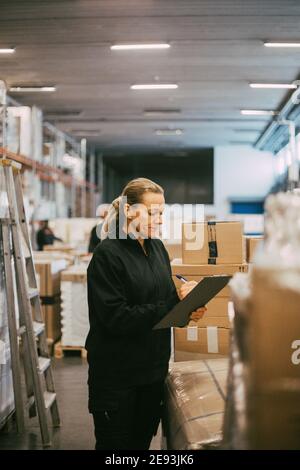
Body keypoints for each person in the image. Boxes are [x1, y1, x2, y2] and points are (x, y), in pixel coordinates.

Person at [85, 177, 206, 450]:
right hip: (118, 378)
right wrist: (173, 303)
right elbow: (117, 318)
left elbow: (161, 303)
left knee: (140, 446)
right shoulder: (108, 254)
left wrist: (186, 310)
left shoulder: (157, 249)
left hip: (152, 373)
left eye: (162, 212)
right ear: (129, 211)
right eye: (152, 212)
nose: (159, 219)